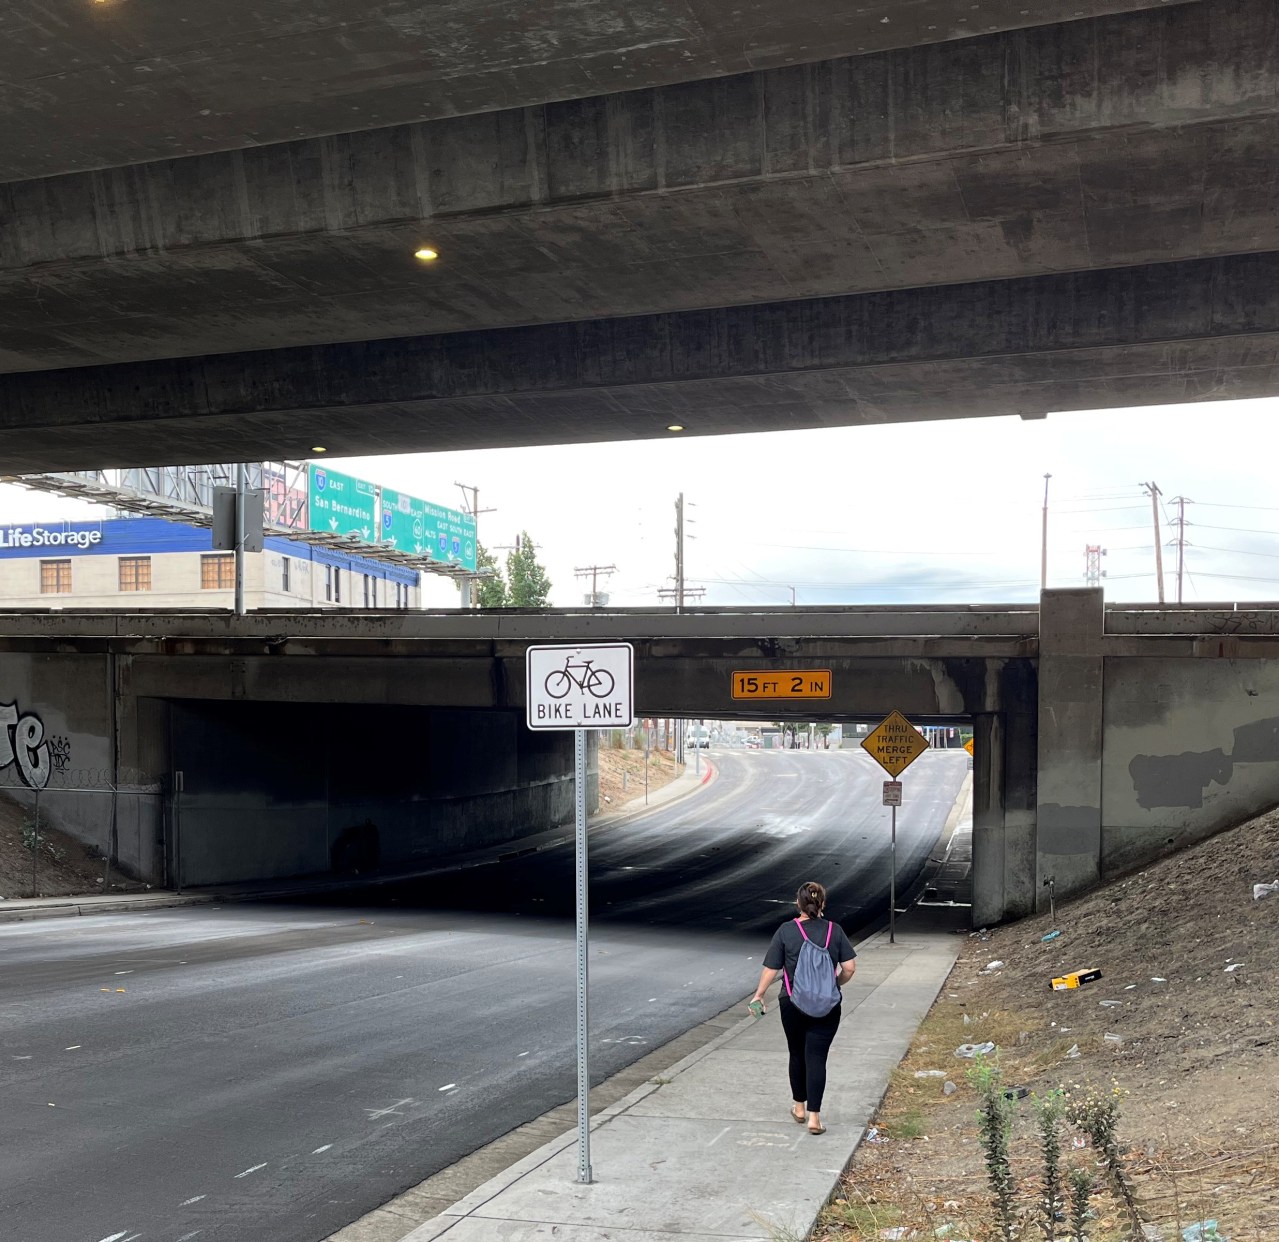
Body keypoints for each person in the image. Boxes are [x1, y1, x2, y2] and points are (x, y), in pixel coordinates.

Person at [747, 881, 856, 1135]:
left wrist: (759, 995)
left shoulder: (786, 931)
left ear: (799, 903)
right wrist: (834, 983)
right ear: (823, 904)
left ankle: (799, 1107)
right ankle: (814, 1119)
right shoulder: (835, 930)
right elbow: (849, 968)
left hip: (792, 1003)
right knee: (816, 1057)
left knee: (796, 1053)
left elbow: (771, 968)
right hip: (828, 1006)